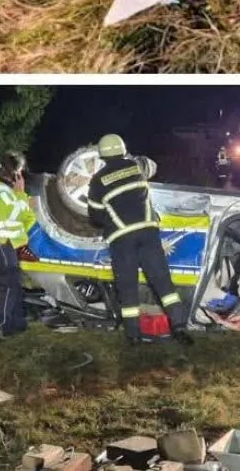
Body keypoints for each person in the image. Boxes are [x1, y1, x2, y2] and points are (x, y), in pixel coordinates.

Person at [86, 134, 191, 344]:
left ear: (102, 155)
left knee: (127, 287)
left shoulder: (97, 180)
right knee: (163, 282)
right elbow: (153, 166)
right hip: (148, 232)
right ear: (123, 149)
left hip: (121, 238)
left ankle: (133, 336)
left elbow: (95, 216)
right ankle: (179, 327)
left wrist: (111, 219)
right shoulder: (137, 166)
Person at [0, 151, 35, 338]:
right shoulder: (3, 192)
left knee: (15, 284)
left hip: (3, 242)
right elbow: (22, 215)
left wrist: (21, 199)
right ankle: (3, 326)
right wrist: (21, 195)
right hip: (4, 243)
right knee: (9, 285)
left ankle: (17, 323)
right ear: (15, 173)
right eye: (20, 172)